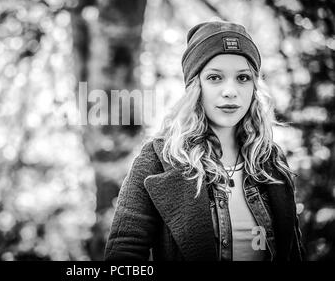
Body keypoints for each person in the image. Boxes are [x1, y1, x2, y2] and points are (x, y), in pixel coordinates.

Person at [104, 21, 305, 261]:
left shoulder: (270, 160)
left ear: (254, 87)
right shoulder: (159, 159)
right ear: (195, 87)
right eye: (214, 78)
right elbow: (123, 254)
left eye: (242, 78)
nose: (230, 91)